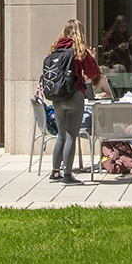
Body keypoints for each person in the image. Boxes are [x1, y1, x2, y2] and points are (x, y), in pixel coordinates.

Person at [42, 20, 106, 184]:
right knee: (72, 135)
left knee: (61, 135)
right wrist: (91, 58)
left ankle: (55, 172)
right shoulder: (79, 51)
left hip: (57, 96)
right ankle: (67, 174)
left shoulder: (55, 50)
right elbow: (92, 73)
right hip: (74, 94)